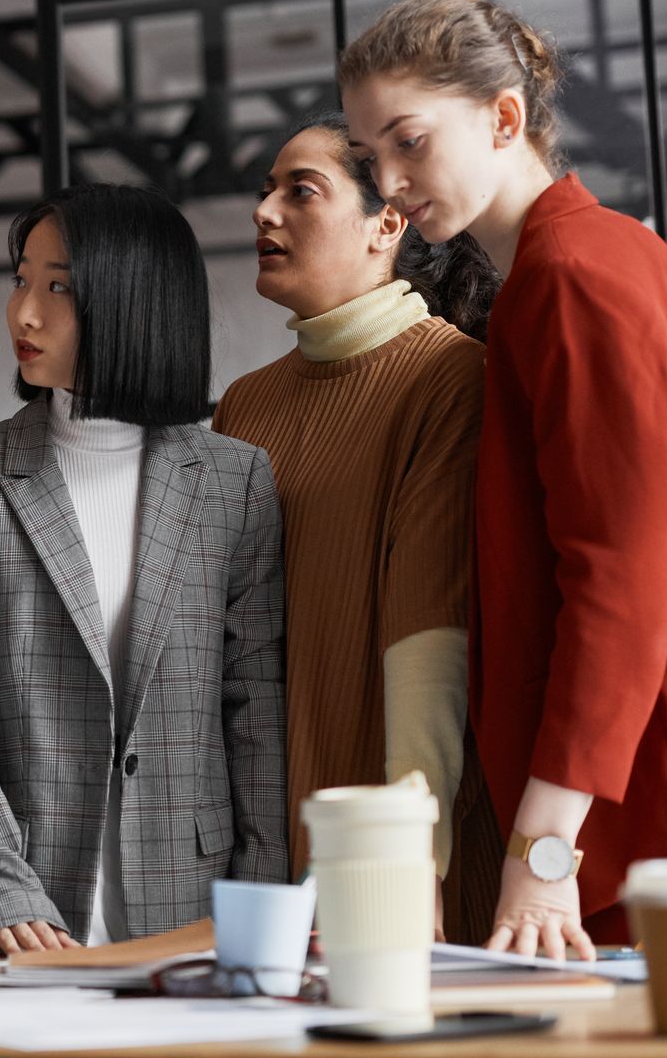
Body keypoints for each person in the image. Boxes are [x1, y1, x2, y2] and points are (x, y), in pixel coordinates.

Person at [340, 0, 667, 957]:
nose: (388, 179)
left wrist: (545, 850)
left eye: (408, 141)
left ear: (505, 116)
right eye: (370, 153)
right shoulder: (578, 263)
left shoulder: (574, 275)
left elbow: (622, 574)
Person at [0, 183, 288, 954]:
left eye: (59, 287)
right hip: (23, 918)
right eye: (21, 279)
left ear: (136, 299)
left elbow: (255, 710)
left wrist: (266, 910)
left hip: (197, 910)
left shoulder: (236, 481)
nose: (23, 313)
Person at [212, 113, 503, 944]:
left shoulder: (448, 379)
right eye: (266, 190)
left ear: (387, 224)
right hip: (272, 833)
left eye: (300, 191)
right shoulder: (246, 403)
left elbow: (430, 640)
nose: (265, 211)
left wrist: (411, 859)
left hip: (398, 842)